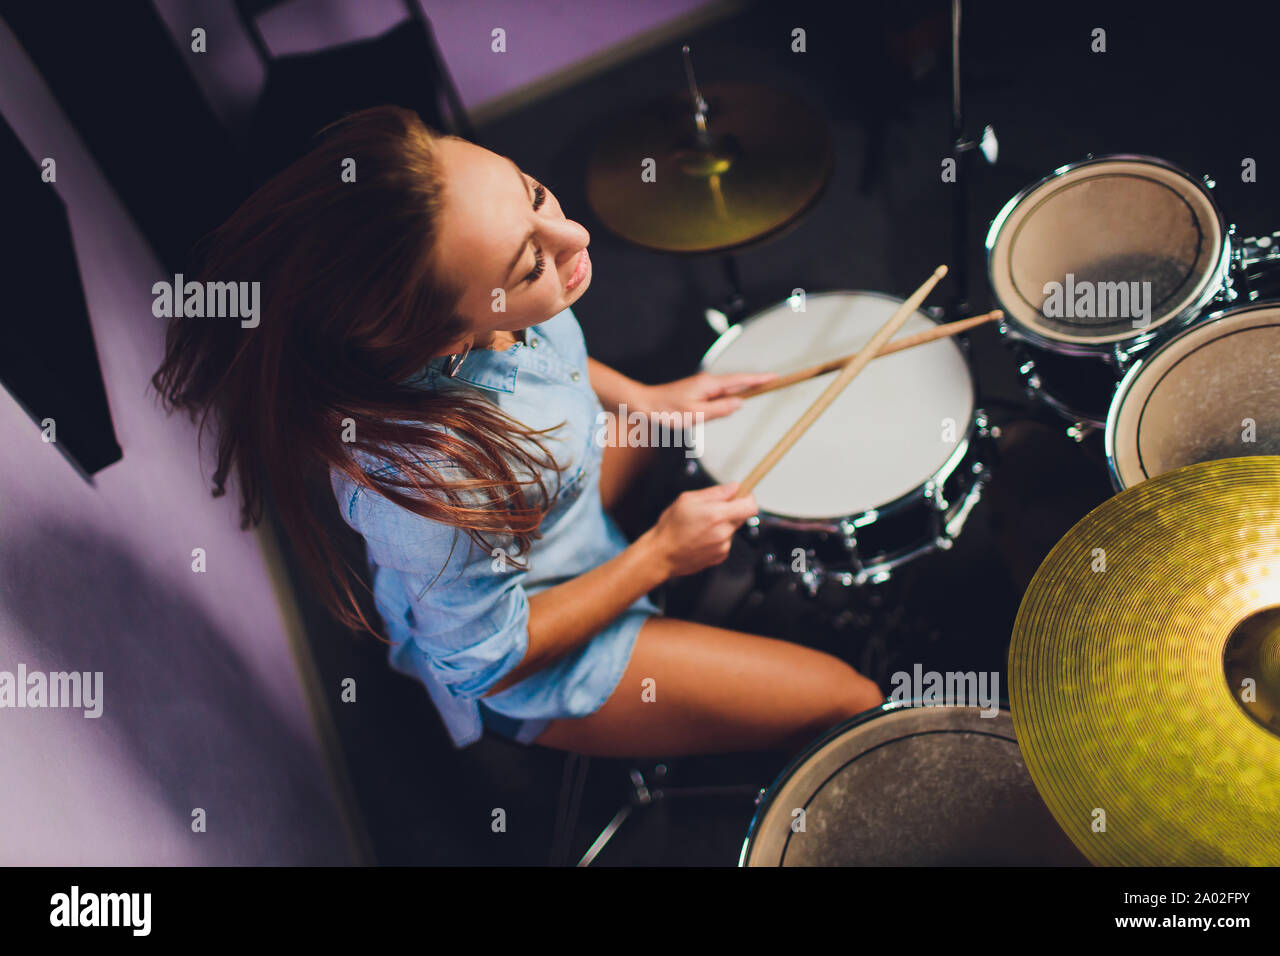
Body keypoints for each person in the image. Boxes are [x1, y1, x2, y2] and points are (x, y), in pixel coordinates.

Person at [153, 105, 882, 758]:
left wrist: (647, 398)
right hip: (529, 653)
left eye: (532, 193)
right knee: (855, 702)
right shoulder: (428, 487)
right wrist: (661, 553)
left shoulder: (498, 300)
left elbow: (551, 357)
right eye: (532, 260)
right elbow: (486, 660)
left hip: (548, 510)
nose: (574, 237)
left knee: (683, 427)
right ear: (443, 339)